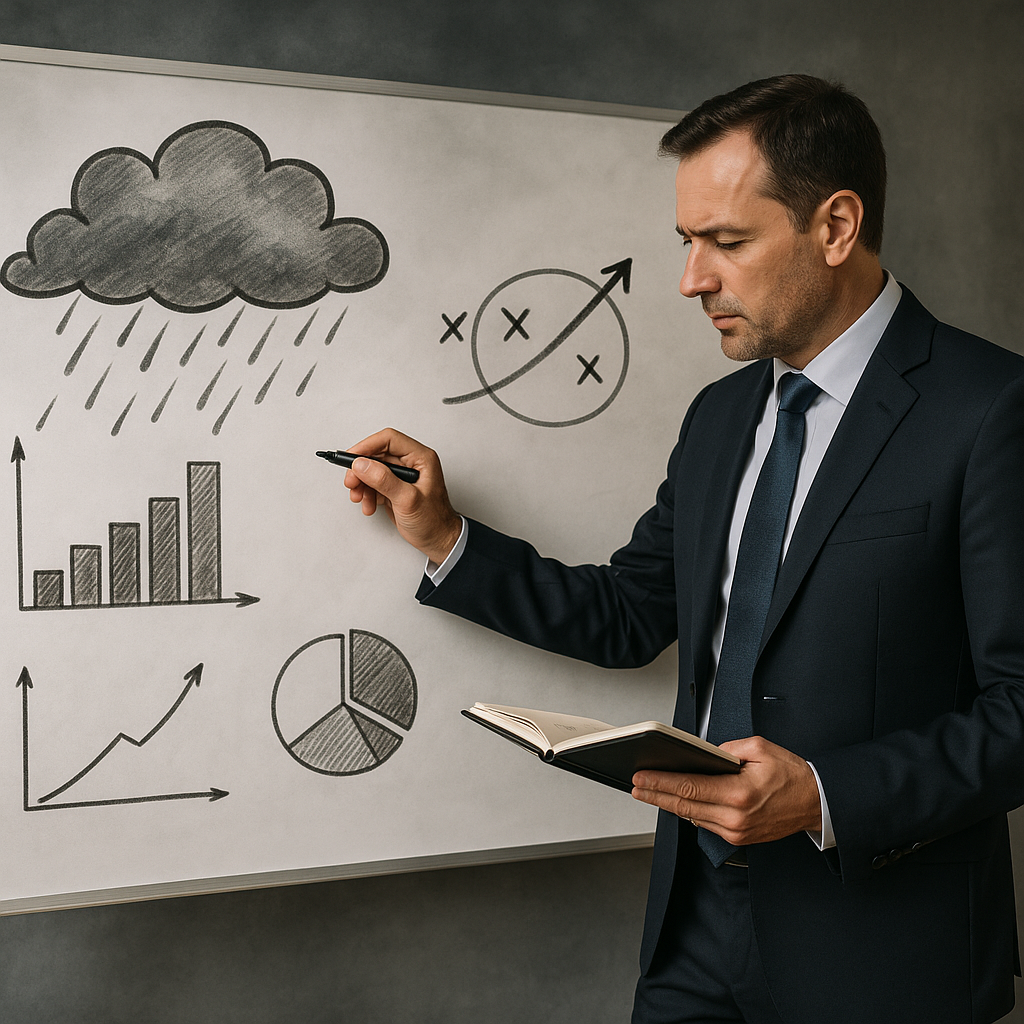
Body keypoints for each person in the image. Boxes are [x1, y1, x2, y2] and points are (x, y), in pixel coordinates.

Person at [342, 75, 1024, 1024]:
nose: (691, 278)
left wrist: (827, 793)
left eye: (727, 242)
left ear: (835, 226)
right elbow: (631, 615)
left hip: (883, 957)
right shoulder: (718, 417)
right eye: (687, 242)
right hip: (694, 931)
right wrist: (446, 538)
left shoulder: (992, 409)